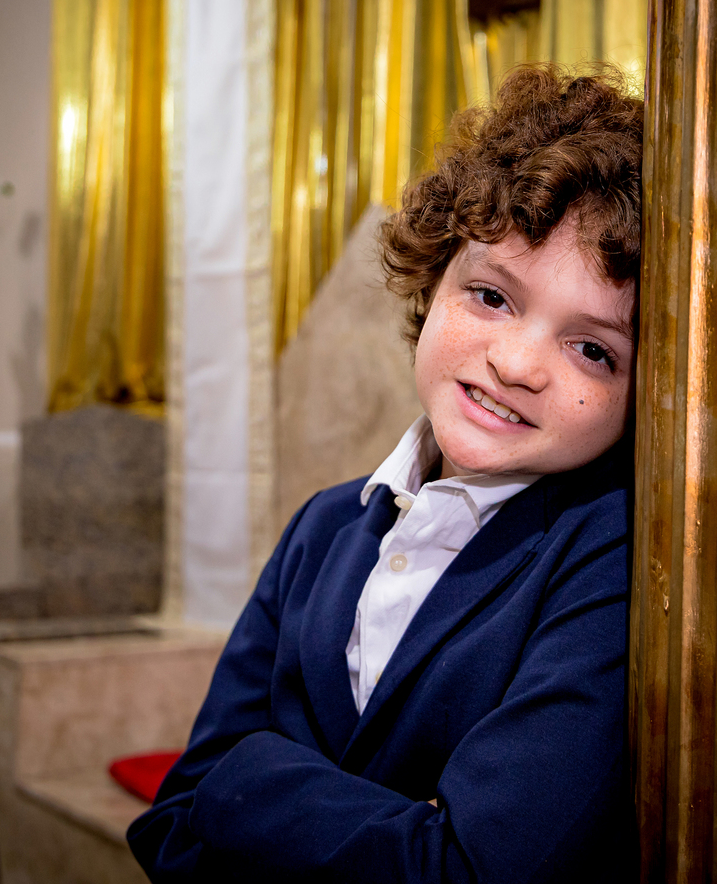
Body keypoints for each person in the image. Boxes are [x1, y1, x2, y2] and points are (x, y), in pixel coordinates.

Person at [128, 64, 643, 883]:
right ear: (433, 279)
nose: (515, 362)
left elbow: (465, 871)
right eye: (491, 296)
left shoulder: (609, 561)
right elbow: (170, 824)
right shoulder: (322, 528)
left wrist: (250, 779)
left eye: (592, 349)